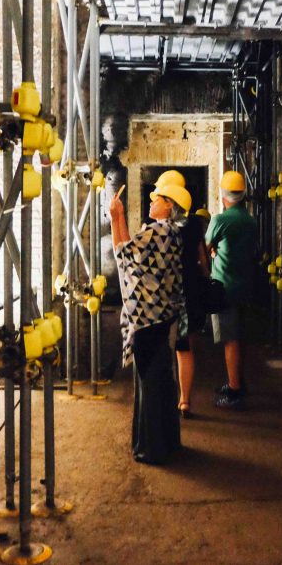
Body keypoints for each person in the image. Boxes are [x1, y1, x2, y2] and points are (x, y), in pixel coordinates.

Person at [110, 178, 192, 465]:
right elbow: (131, 252)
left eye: (157, 197)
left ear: (168, 206)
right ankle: (167, 442)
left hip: (147, 318)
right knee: (159, 380)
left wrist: (115, 217)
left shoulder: (158, 233)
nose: (151, 200)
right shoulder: (168, 233)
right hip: (162, 317)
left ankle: (151, 447)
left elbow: (122, 253)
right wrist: (118, 218)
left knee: (150, 383)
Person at [152, 172, 210, 419]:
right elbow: (202, 259)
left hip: (168, 291)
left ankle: (166, 398)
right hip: (192, 288)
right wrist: (205, 280)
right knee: (185, 347)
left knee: (165, 346)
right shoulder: (195, 224)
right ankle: (184, 400)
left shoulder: (161, 228)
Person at [206, 170, 258, 410]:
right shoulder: (250, 220)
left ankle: (234, 391)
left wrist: (213, 255)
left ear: (223, 194)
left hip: (224, 287)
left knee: (230, 340)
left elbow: (205, 247)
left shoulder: (220, 220)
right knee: (240, 337)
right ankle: (238, 381)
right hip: (246, 285)